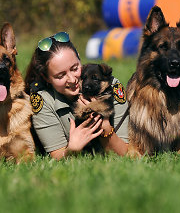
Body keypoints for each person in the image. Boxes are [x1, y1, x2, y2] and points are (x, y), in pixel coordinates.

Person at [24, 32, 129, 160]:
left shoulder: (110, 86)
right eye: (60, 76)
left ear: (79, 58)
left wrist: (105, 127)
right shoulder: (44, 101)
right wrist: (72, 149)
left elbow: (125, 153)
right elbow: (57, 156)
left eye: (74, 68)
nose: (72, 79)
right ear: (47, 78)